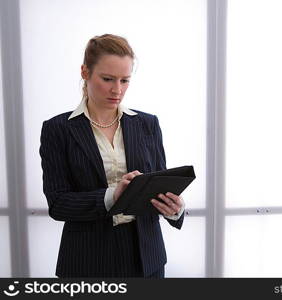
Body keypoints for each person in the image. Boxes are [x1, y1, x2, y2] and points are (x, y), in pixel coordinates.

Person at [39, 34, 185, 278]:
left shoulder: (148, 124)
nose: (117, 90)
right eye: (107, 79)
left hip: (147, 258)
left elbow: (159, 186)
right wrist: (112, 196)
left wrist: (173, 208)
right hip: (87, 259)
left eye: (125, 80)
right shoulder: (58, 129)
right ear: (85, 72)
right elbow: (58, 204)